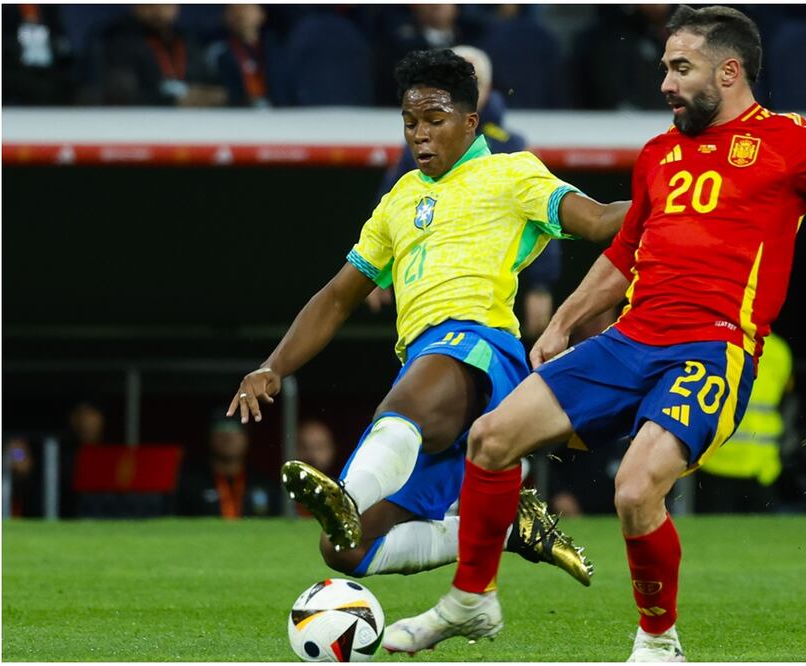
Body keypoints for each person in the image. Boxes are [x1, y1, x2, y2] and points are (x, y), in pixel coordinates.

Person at [384, 5, 806, 660]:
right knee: (491, 438)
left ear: (728, 72)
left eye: (678, 67)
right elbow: (622, 256)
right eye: (665, 65)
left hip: (711, 346)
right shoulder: (658, 154)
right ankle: (471, 601)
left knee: (634, 490)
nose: (664, 81)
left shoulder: (787, 142)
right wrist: (564, 322)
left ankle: (658, 641)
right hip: (630, 339)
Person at [227, 49, 628, 584]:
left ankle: (347, 492)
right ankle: (502, 530)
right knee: (345, 547)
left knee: (411, 398)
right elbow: (339, 295)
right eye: (410, 122)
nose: (420, 135)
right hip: (425, 364)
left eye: (435, 122)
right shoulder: (398, 200)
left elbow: (600, 221)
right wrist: (274, 366)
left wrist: (677, 198)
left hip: (482, 353)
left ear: (469, 121)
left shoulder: (511, 173)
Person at [368, 45, 561, 340]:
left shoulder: (511, 148)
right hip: (427, 290)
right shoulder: (420, 147)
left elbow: (548, 214)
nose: (421, 134)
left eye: (471, 81)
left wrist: (540, 286)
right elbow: (390, 210)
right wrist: (377, 270)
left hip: (496, 291)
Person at [695, 333, 794, 513]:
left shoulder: (712, 341)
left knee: (716, 534)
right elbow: (787, 400)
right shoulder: (780, 350)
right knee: (762, 536)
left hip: (728, 461)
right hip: (751, 462)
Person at [100, 4, 227, 107]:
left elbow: (208, 79)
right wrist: (172, 101)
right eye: (151, 4)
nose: (159, 9)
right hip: (143, 120)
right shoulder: (118, 40)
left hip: (194, 119)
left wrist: (209, 93)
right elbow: (122, 93)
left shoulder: (187, 40)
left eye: (166, 4)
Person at [176, 413, 279, 518]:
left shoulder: (265, 485)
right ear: (210, 438)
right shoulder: (191, 486)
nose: (228, 438)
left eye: (236, 430)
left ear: (247, 439)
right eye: (221, 430)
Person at [207, 4, 288, 108]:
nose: (240, 14)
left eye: (246, 7)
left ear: (261, 13)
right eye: (233, 9)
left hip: (280, 112)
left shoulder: (279, 50)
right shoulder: (217, 53)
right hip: (236, 114)